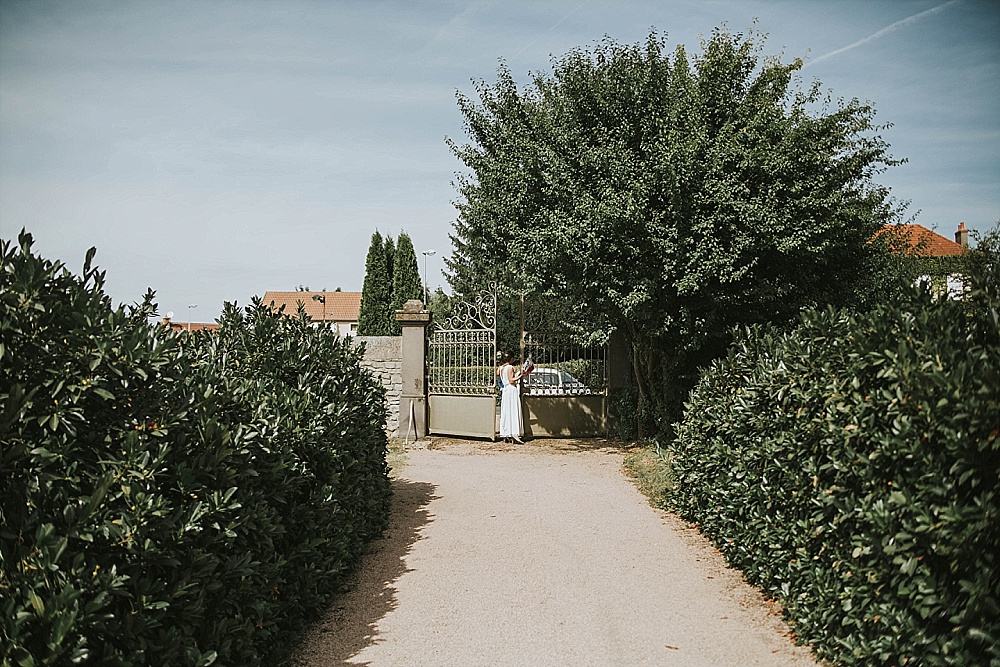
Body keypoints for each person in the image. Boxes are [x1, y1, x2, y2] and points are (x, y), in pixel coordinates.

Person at [498, 351, 525, 444]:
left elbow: (502, 377)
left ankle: (506, 433)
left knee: (506, 411)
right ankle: (514, 434)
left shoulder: (501, 368)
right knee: (513, 411)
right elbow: (511, 380)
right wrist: (521, 375)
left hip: (505, 390)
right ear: (512, 358)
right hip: (511, 389)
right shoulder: (510, 367)